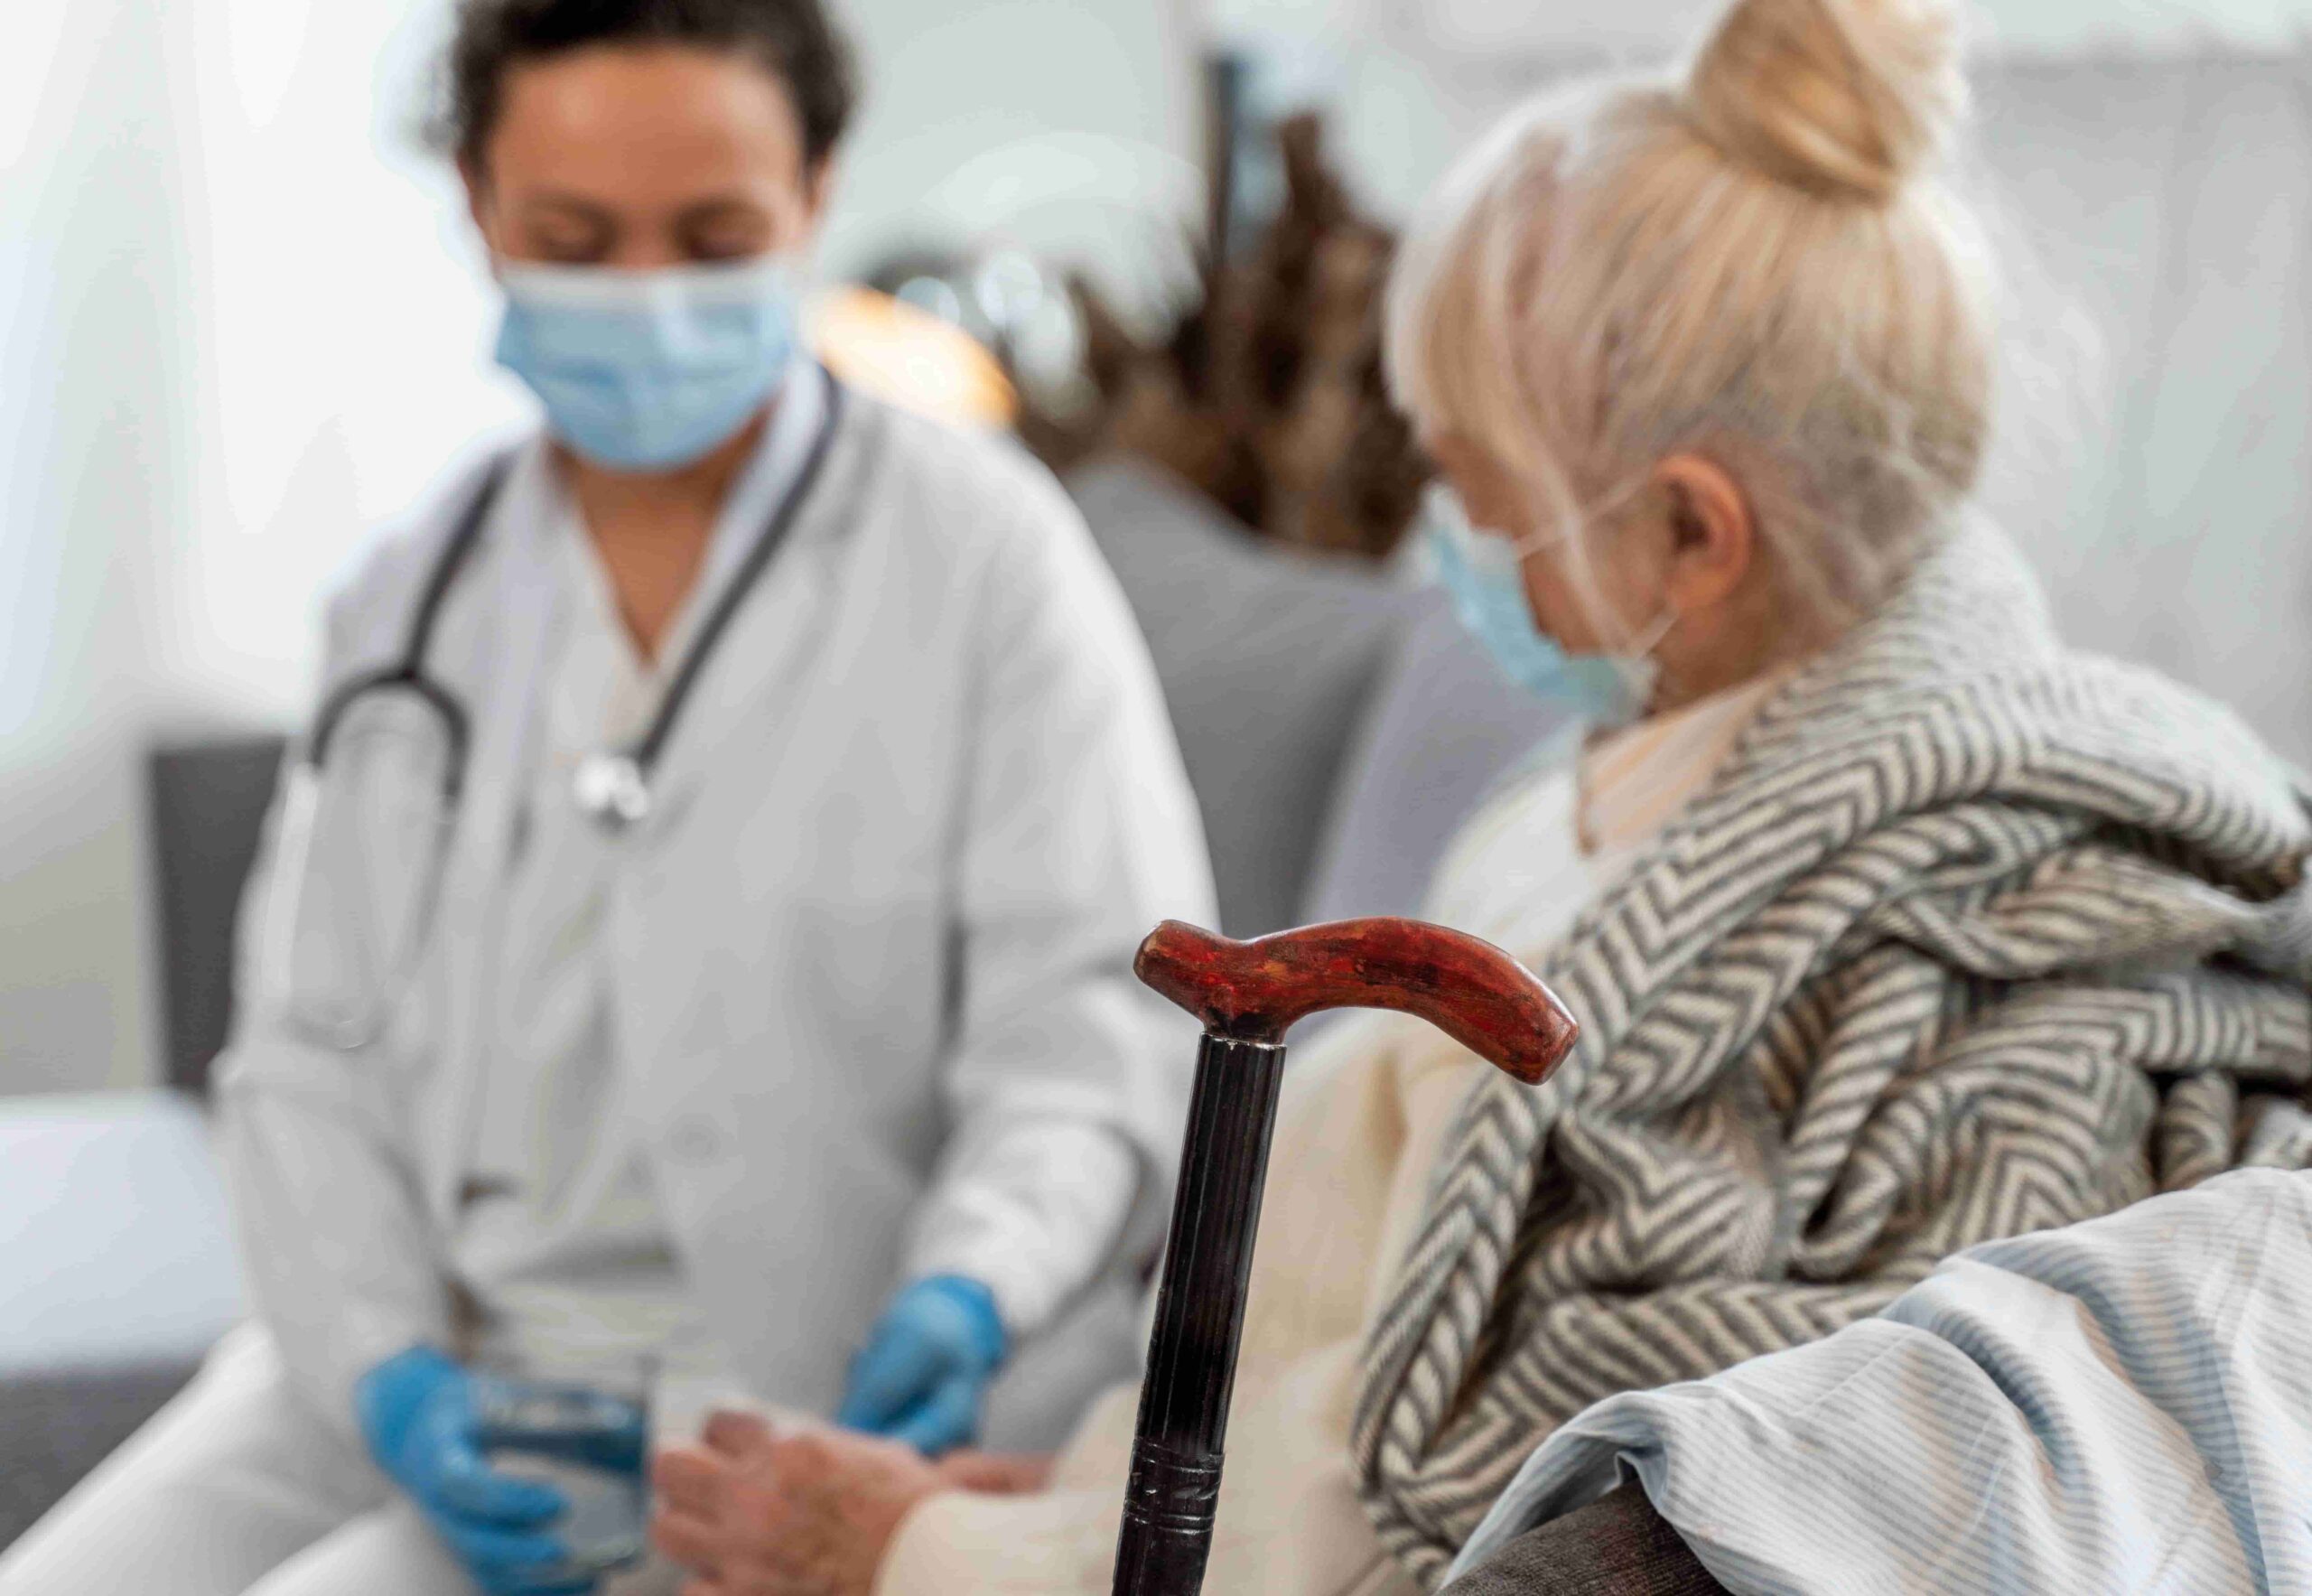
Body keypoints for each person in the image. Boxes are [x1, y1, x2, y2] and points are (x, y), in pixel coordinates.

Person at [638, 0, 2312, 1590]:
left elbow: (1418, 1502)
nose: (1442, 529)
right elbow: (1320, 1347)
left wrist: (916, 1555)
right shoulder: (1597, 801)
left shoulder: (1844, 971)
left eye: (1469, 483)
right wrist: (1055, 1503)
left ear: (1687, 535)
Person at [0, 2, 1212, 1593]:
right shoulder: (411, 602)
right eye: (576, 237)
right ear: (481, 206)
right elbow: (306, 1061)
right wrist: (384, 1371)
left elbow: (1095, 1026)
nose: (645, 296)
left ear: (816, 194)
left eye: (712, 235)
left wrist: (973, 1291)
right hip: (445, 1371)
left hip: (811, 1393)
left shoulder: (986, 559)